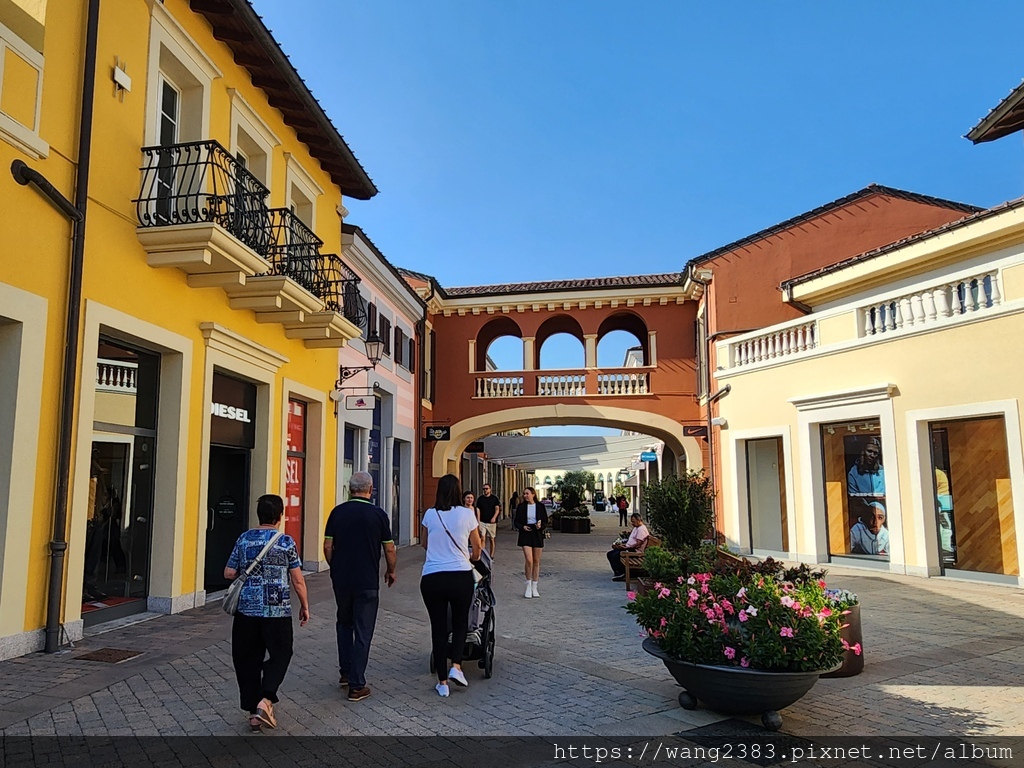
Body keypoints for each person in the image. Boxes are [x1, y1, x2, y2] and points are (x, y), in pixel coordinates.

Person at [224, 494, 309, 732]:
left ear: (259, 515)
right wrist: (304, 605)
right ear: (280, 516)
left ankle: (254, 713)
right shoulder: (285, 542)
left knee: (247, 659)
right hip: (277, 610)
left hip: (246, 612)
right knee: (281, 654)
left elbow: (229, 572)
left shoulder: (244, 539)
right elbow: (298, 580)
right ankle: (266, 699)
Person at [323, 472, 397, 703]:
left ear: (349, 489)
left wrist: (335, 567)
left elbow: (327, 545)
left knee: (344, 624)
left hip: (342, 580)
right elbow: (390, 549)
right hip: (367, 581)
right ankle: (357, 685)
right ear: (370, 489)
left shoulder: (337, 512)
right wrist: (391, 570)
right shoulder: (378, 515)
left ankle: (345, 672)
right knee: (363, 631)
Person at [420, 474, 483, 698]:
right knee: (459, 624)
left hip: (433, 577)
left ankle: (442, 683)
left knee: (438, 629)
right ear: (458, 491)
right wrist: (471, 557)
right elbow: (477, 547)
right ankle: (456, 666)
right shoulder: (467, 514)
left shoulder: (430, 514)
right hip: (460, 575)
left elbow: (425, 544)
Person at [513, 487, 548, 599]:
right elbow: (516, 521)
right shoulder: (521, 507)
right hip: (525, 533)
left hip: (537, 533)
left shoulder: (540, 506)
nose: (525, 495)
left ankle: (535, 586)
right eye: (524, 494)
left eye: (527, 493)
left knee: (536, 561)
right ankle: (528, 584)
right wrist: (522, 526)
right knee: (529, 560)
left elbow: (545, 521)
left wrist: (540, 526)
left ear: (533, 494)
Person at [607, 513, 650, 581]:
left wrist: (625, 548)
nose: (632, 523)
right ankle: (618, 572)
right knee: (610, 553)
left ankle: (622, 572)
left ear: (639, 520)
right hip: (630, 548)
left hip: (635, 551)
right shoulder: (636, 528)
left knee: (615, 555)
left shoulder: (641, 529)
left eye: (633, 521)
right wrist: (623, 545)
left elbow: (638, 544)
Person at [476, 483, 501, 558]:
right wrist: (478, 520)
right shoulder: (480, 499)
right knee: (482, 538)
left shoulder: (494, 498)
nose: (485, 490)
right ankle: (482, 554)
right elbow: (478, 510)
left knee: (492, 539)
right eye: (484, 489)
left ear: (490, 489)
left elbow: (497, 509)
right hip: (482, 521)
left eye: (486, 489)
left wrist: (494, 517)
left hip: (491, 522)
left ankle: (491, 555)